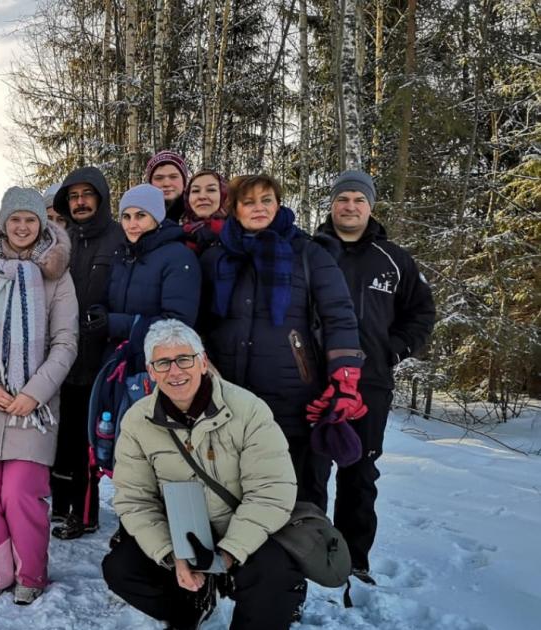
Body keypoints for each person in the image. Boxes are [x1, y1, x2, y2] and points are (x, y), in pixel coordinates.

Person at [104, 319, 304, 629]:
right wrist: (171, 555)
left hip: (241, 527)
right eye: (163, 363)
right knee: (121, 568)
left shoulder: (249, 410)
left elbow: (271, 491)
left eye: (184, 359)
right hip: (182, 533)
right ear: (151, 370)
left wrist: (227, 554)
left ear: (203, 362)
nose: (175, 371)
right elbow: (134, 499)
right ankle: (189, 606)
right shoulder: (137, 420)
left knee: (276, 574)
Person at [198, 174, 366, 509]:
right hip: (229, 399)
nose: (258, 208)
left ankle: (307, 560)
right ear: (233, 209)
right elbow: (199, 320)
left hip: (296, 400)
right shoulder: (216, 258)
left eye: (267, 200)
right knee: (235, 493)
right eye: (249, 202)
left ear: (278, 203)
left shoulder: (309, 254)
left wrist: (345, 378)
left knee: (299, 495)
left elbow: (339, 316)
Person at [0, 188, 78, 607]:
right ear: (2, 224)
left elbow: (65, 342)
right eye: (14, 220)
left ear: (41, 224)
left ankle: (31, 573)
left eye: (29, 219)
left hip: (34, 406)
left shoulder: (57, 276)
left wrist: (34, 392)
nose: (22, 227)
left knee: (21, 491)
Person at [314, 170, 436, 584]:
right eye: (342, 198)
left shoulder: (394, 258)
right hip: (313, 380)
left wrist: (393, 349)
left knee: (360, 473)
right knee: (309, 470)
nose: (350, 206)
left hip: (370, 382)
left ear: (370, 206)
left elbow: (421, 312)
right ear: (331, 203)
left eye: (358, 199)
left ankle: (353, 559)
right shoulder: (312, 251)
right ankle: (309, 554)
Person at [50, 166, 126, 539]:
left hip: (101, 357)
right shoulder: (59, 239)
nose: (80, 202)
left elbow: (128, 289)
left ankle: (86, 512)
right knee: (62, 438)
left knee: (93, 443)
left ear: (100, 198)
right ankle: (61, 505)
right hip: (61, 356)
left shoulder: (117, 238)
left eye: (87, 195)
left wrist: (111, 321)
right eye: (74, 196)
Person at [105, 184, 201, 373]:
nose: (132, 224)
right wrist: (98, 314)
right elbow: (108, 297)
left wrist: (114, 324)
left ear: (157, 217)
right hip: (119, 360)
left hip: (159, 365)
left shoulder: (178, 256)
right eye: (126, 217)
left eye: (141, 216)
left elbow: (177, 323)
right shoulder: (123, 253)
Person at [180, 169, 230, 254]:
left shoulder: (237, 235)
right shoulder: (176, 236)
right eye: (195, 191)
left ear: (223, 195)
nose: (202, 196)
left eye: (211, 190)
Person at [144, 150, 191, 222]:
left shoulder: (199, 217)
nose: (166, 184)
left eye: (173, 177)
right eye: (159, 178)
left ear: (184, 181)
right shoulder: (136, 217)